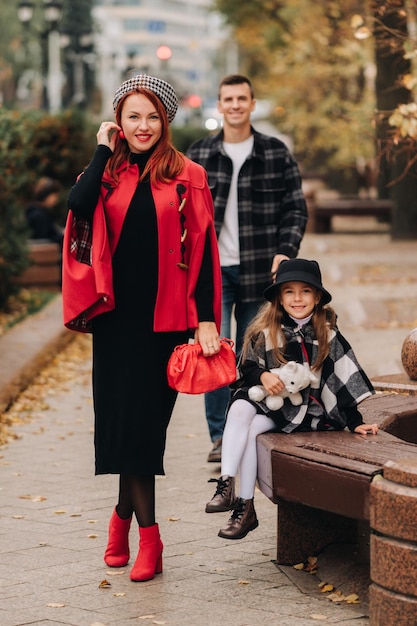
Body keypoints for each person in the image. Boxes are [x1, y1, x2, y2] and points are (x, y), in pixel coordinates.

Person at [61, 74, 222, 582]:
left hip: (167, 324)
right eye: (133, 116)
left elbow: (203, 253)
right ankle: (150, 540)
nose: (143, 125)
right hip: (116, 323)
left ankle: (118, 519)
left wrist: (207, 317)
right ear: (119, 121)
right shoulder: (105, 173)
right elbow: (78, 207)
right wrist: (99, 150)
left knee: (146, 432)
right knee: (132, 431)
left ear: (166, 120)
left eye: (152, 116)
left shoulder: (188, 176)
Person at [205, 258, 378, 540]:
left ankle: (244, 506)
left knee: (248, 428)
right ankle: (231, 491)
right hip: (270, 408)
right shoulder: (265, 331)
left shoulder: (328, 335)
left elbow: (343, 378)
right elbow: (244, 368)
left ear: (317, 296)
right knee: (239, 410)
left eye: (305, 291)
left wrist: (355, 421)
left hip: (305, 412)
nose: (297, 298)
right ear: (279, 298)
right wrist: (262, 376)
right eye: (289, 291)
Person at [187, 74, 308, 463]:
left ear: (252, 104)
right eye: (228, 99)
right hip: (212, 272)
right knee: (213, 353)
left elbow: (295, 207)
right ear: (219, 105)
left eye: (242, 98)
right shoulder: (199, 154)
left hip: (261, 272)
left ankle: (251, 424)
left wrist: (285, 251)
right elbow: (180, 213)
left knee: (251, 355)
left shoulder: (275, 152)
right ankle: (222, 437)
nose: (236, 105)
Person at [25, 177, 64, 245]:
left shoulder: (40, 212)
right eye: (55, 195)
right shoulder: (39, 216)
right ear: (46, 195)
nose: (56, 199)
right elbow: (44, 241)